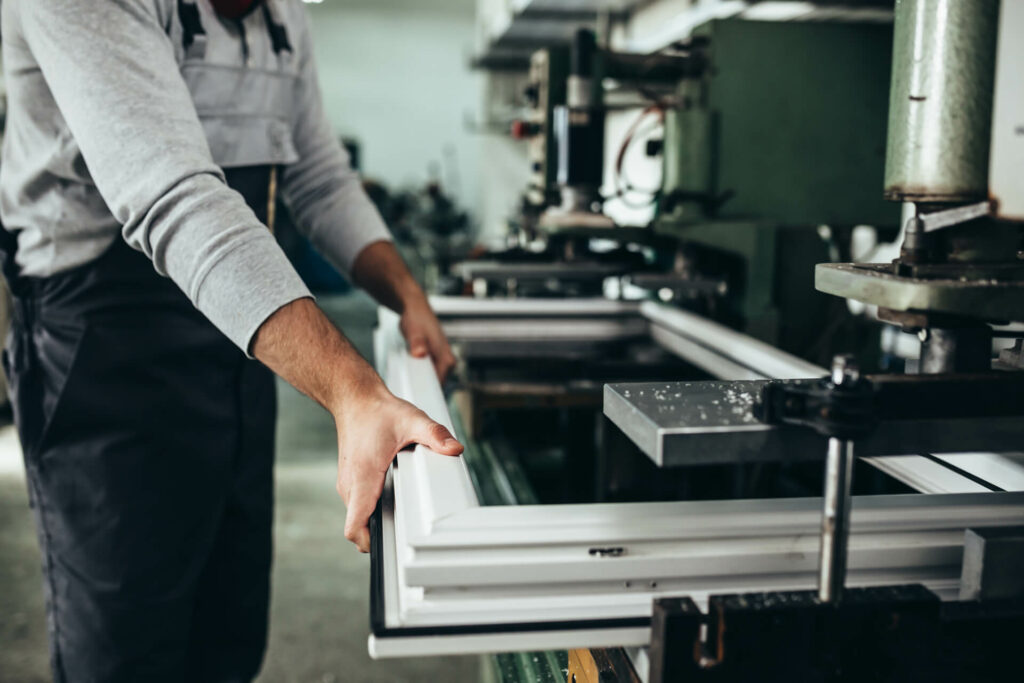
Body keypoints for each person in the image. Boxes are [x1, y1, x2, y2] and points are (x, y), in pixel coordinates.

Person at [0, 1, 461, 681]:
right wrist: (353, 393)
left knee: (228, 628)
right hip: (103, 345)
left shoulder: (284, 17)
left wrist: (407, 294)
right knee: (126, 643)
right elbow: (172, 193)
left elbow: (318, 175)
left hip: (242, 324)